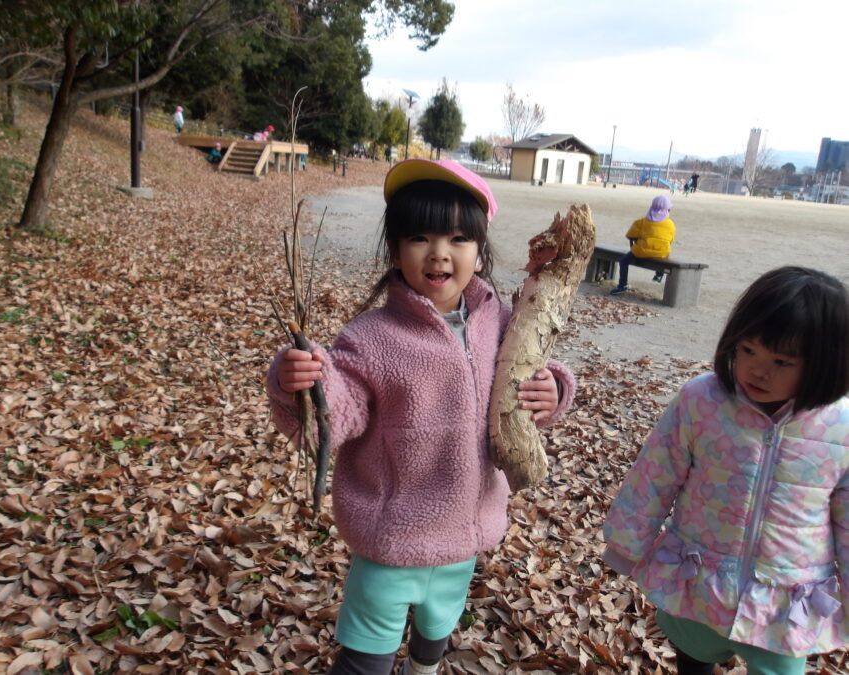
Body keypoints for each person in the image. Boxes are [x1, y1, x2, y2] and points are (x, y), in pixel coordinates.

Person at [266, 159, 576, 675]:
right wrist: (299, 383)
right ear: (395, 250)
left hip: (465, 534)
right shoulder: (370, 338)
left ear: (480, 251)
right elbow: (335, 415)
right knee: (366, 659)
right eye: (420, 238)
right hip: (391, 539)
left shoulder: (500, 322)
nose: (439, 253)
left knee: (435, 637)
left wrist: (554, 389)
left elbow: (531, 371)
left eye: (458, 238)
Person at [603, 266, 849, 675]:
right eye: (748, 350)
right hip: (701, 582)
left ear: (824, 363)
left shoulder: (840, 427)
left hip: (782, 602)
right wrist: (627, 544)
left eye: (781, 361)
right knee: (692, 657)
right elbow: (656, 473)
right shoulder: (702, 401)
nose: (757, 370)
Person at [610, 194, 676, 295]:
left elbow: (630, 236)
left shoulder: (641, 222)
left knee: (623, 261)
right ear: (668, 210)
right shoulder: (671, 224)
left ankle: (622, 285)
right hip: (661, 253)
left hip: (640, 252)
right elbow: (670, 240)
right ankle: (659, 274)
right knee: (666, 251)